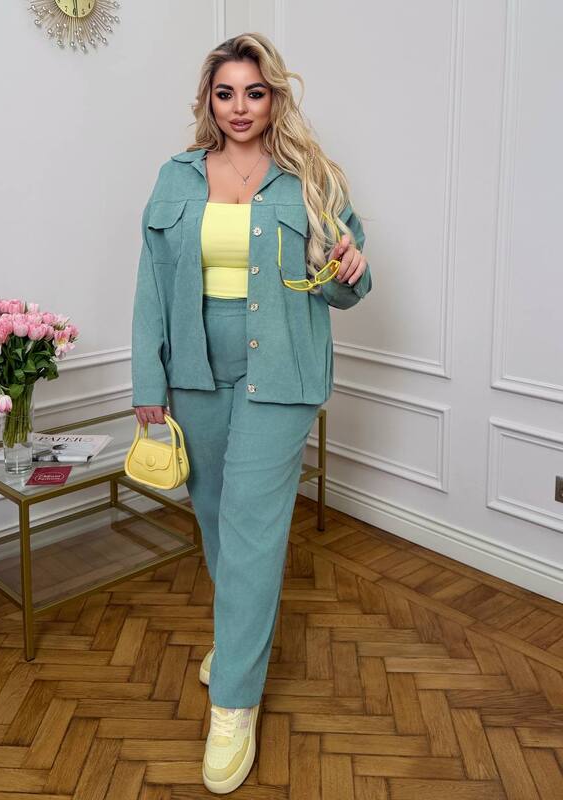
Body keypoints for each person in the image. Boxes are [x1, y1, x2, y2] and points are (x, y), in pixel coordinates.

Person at [131, 32, 372, 795]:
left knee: (252, 525)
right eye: (226, 92)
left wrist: (348, 268)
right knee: (213, 514)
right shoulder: (175, 177)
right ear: (209, 99)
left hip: (283, 370)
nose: (240, 107)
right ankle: (238, 639)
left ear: (274, 98)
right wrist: (147, 380)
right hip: (196, 371)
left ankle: (234, 701)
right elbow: (150, 284)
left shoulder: (308, 179)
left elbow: (348, 287)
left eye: (255, 92)